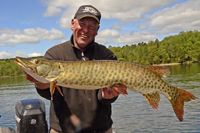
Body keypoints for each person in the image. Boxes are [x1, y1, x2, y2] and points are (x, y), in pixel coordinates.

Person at [25, 5, 119, 133]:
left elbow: (109, 95)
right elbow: (50, 94)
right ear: (72, 24)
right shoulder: (54, 54)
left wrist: (107, 96)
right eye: (82, 23)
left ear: (97, 30)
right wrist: (39, 82)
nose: (85, 30)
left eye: (91, 26)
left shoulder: (107, 56)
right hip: (62, 129)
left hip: (100, 129)